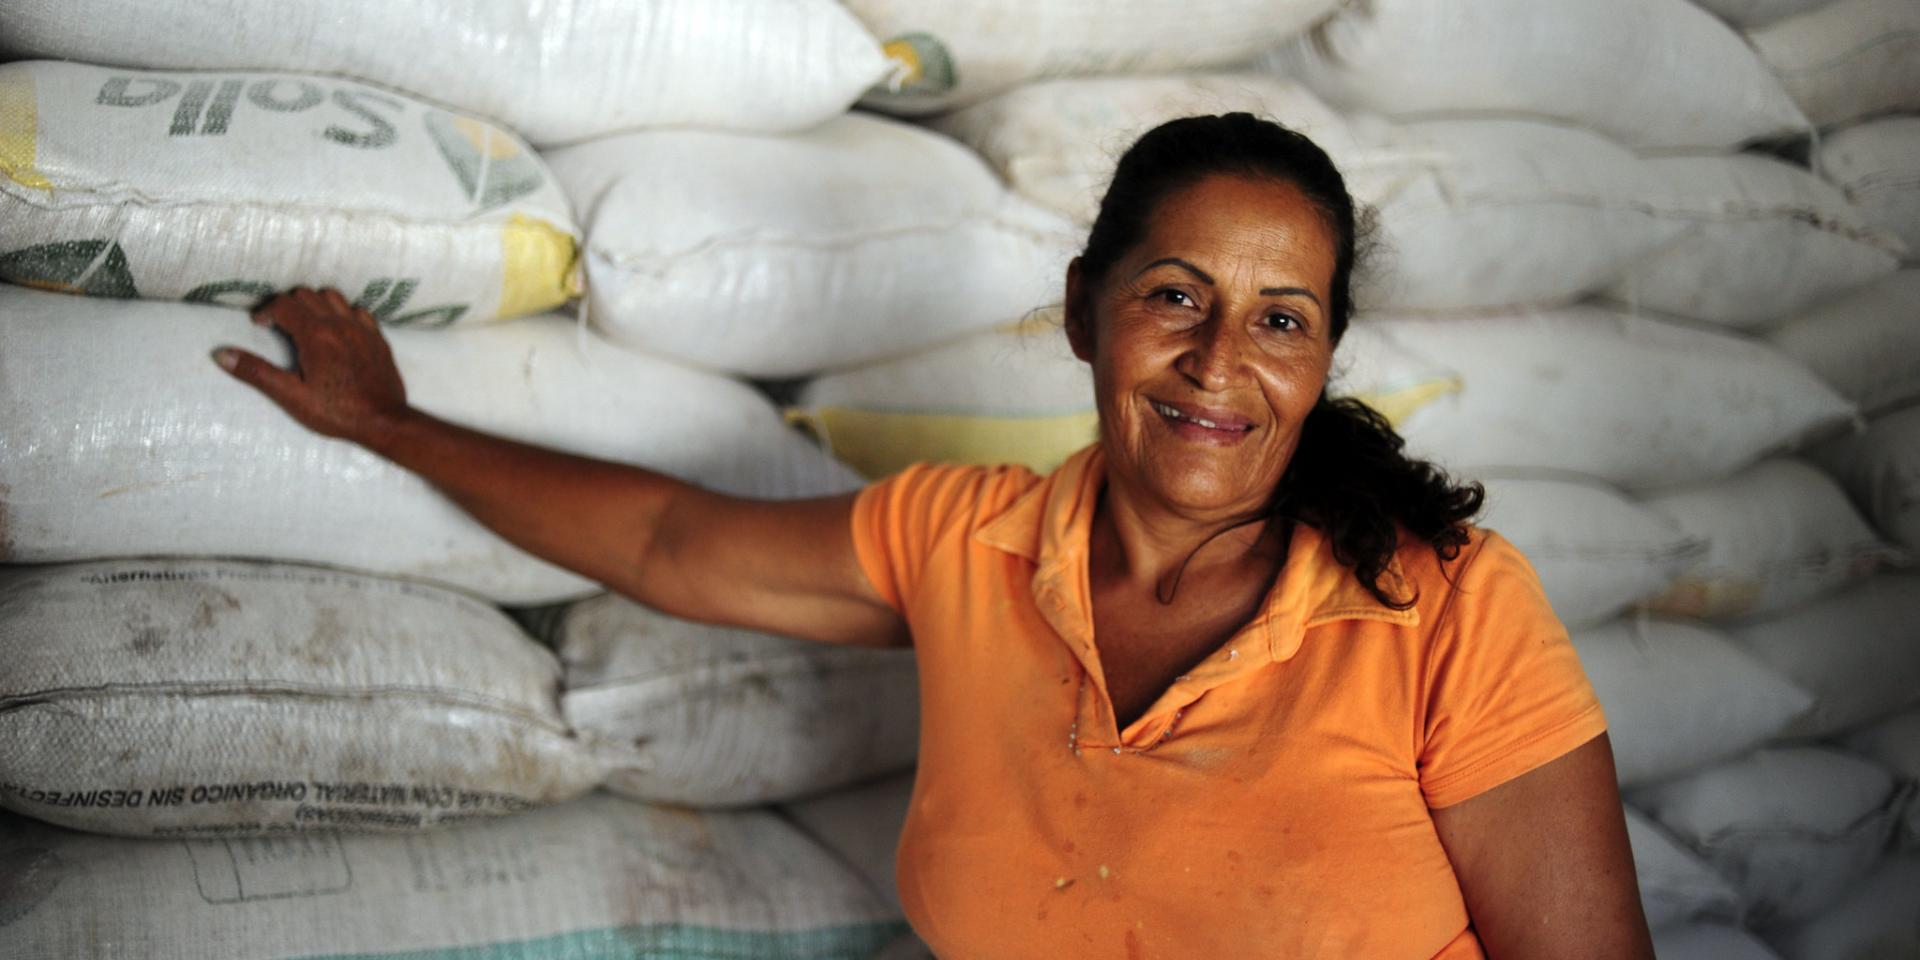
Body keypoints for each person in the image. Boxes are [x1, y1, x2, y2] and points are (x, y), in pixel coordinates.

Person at [214, 113, 1655, 959]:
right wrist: (393, 428)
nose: (1223, 361)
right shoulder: (965, 545)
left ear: (1326, 354)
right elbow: (668, 541)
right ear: (1088, 303)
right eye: (1175, 296)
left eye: (1282, 320)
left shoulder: (1444, 605)